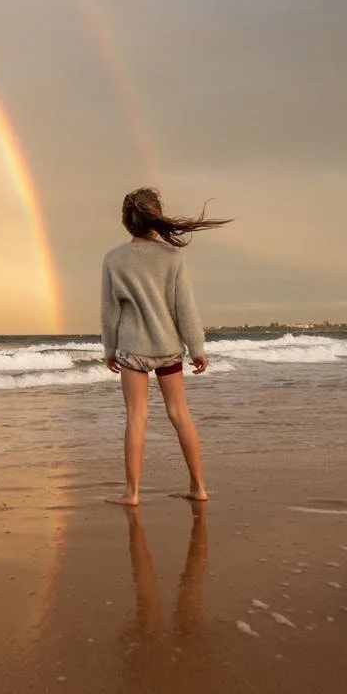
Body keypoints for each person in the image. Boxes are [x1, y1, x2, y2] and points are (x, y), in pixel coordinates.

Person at [101, 188, 230, 506]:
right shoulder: (174, 257)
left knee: (136, 417)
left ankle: (132, 493)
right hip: (169, 348)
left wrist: (109, 349)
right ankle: (198, 487)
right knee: (180, 414)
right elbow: (184, 307)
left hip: (132, 350)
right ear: (156, 219)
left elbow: (110, 311)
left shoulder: (114, 259)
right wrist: (197, 348)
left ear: (126, 222)